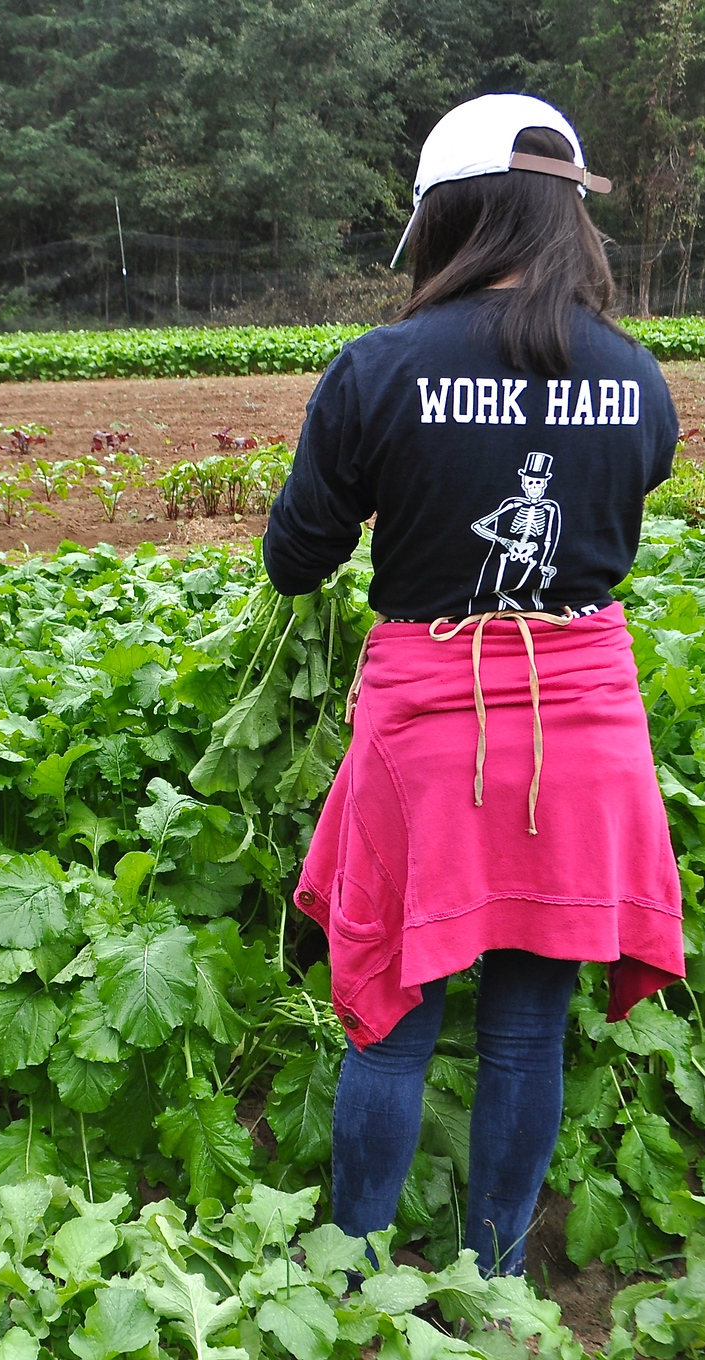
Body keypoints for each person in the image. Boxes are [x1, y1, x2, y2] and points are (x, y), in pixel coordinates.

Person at [263, 94, 684, 1276]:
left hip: (430, 729)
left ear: (448, 219)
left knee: (391, 1018)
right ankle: (490, 1286)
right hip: (582, 729)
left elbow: (295, 559)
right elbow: (624, 501)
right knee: (526, 1031)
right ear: (567, 220)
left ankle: (354, 1280)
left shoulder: (380, 367)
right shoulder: (635, 379)